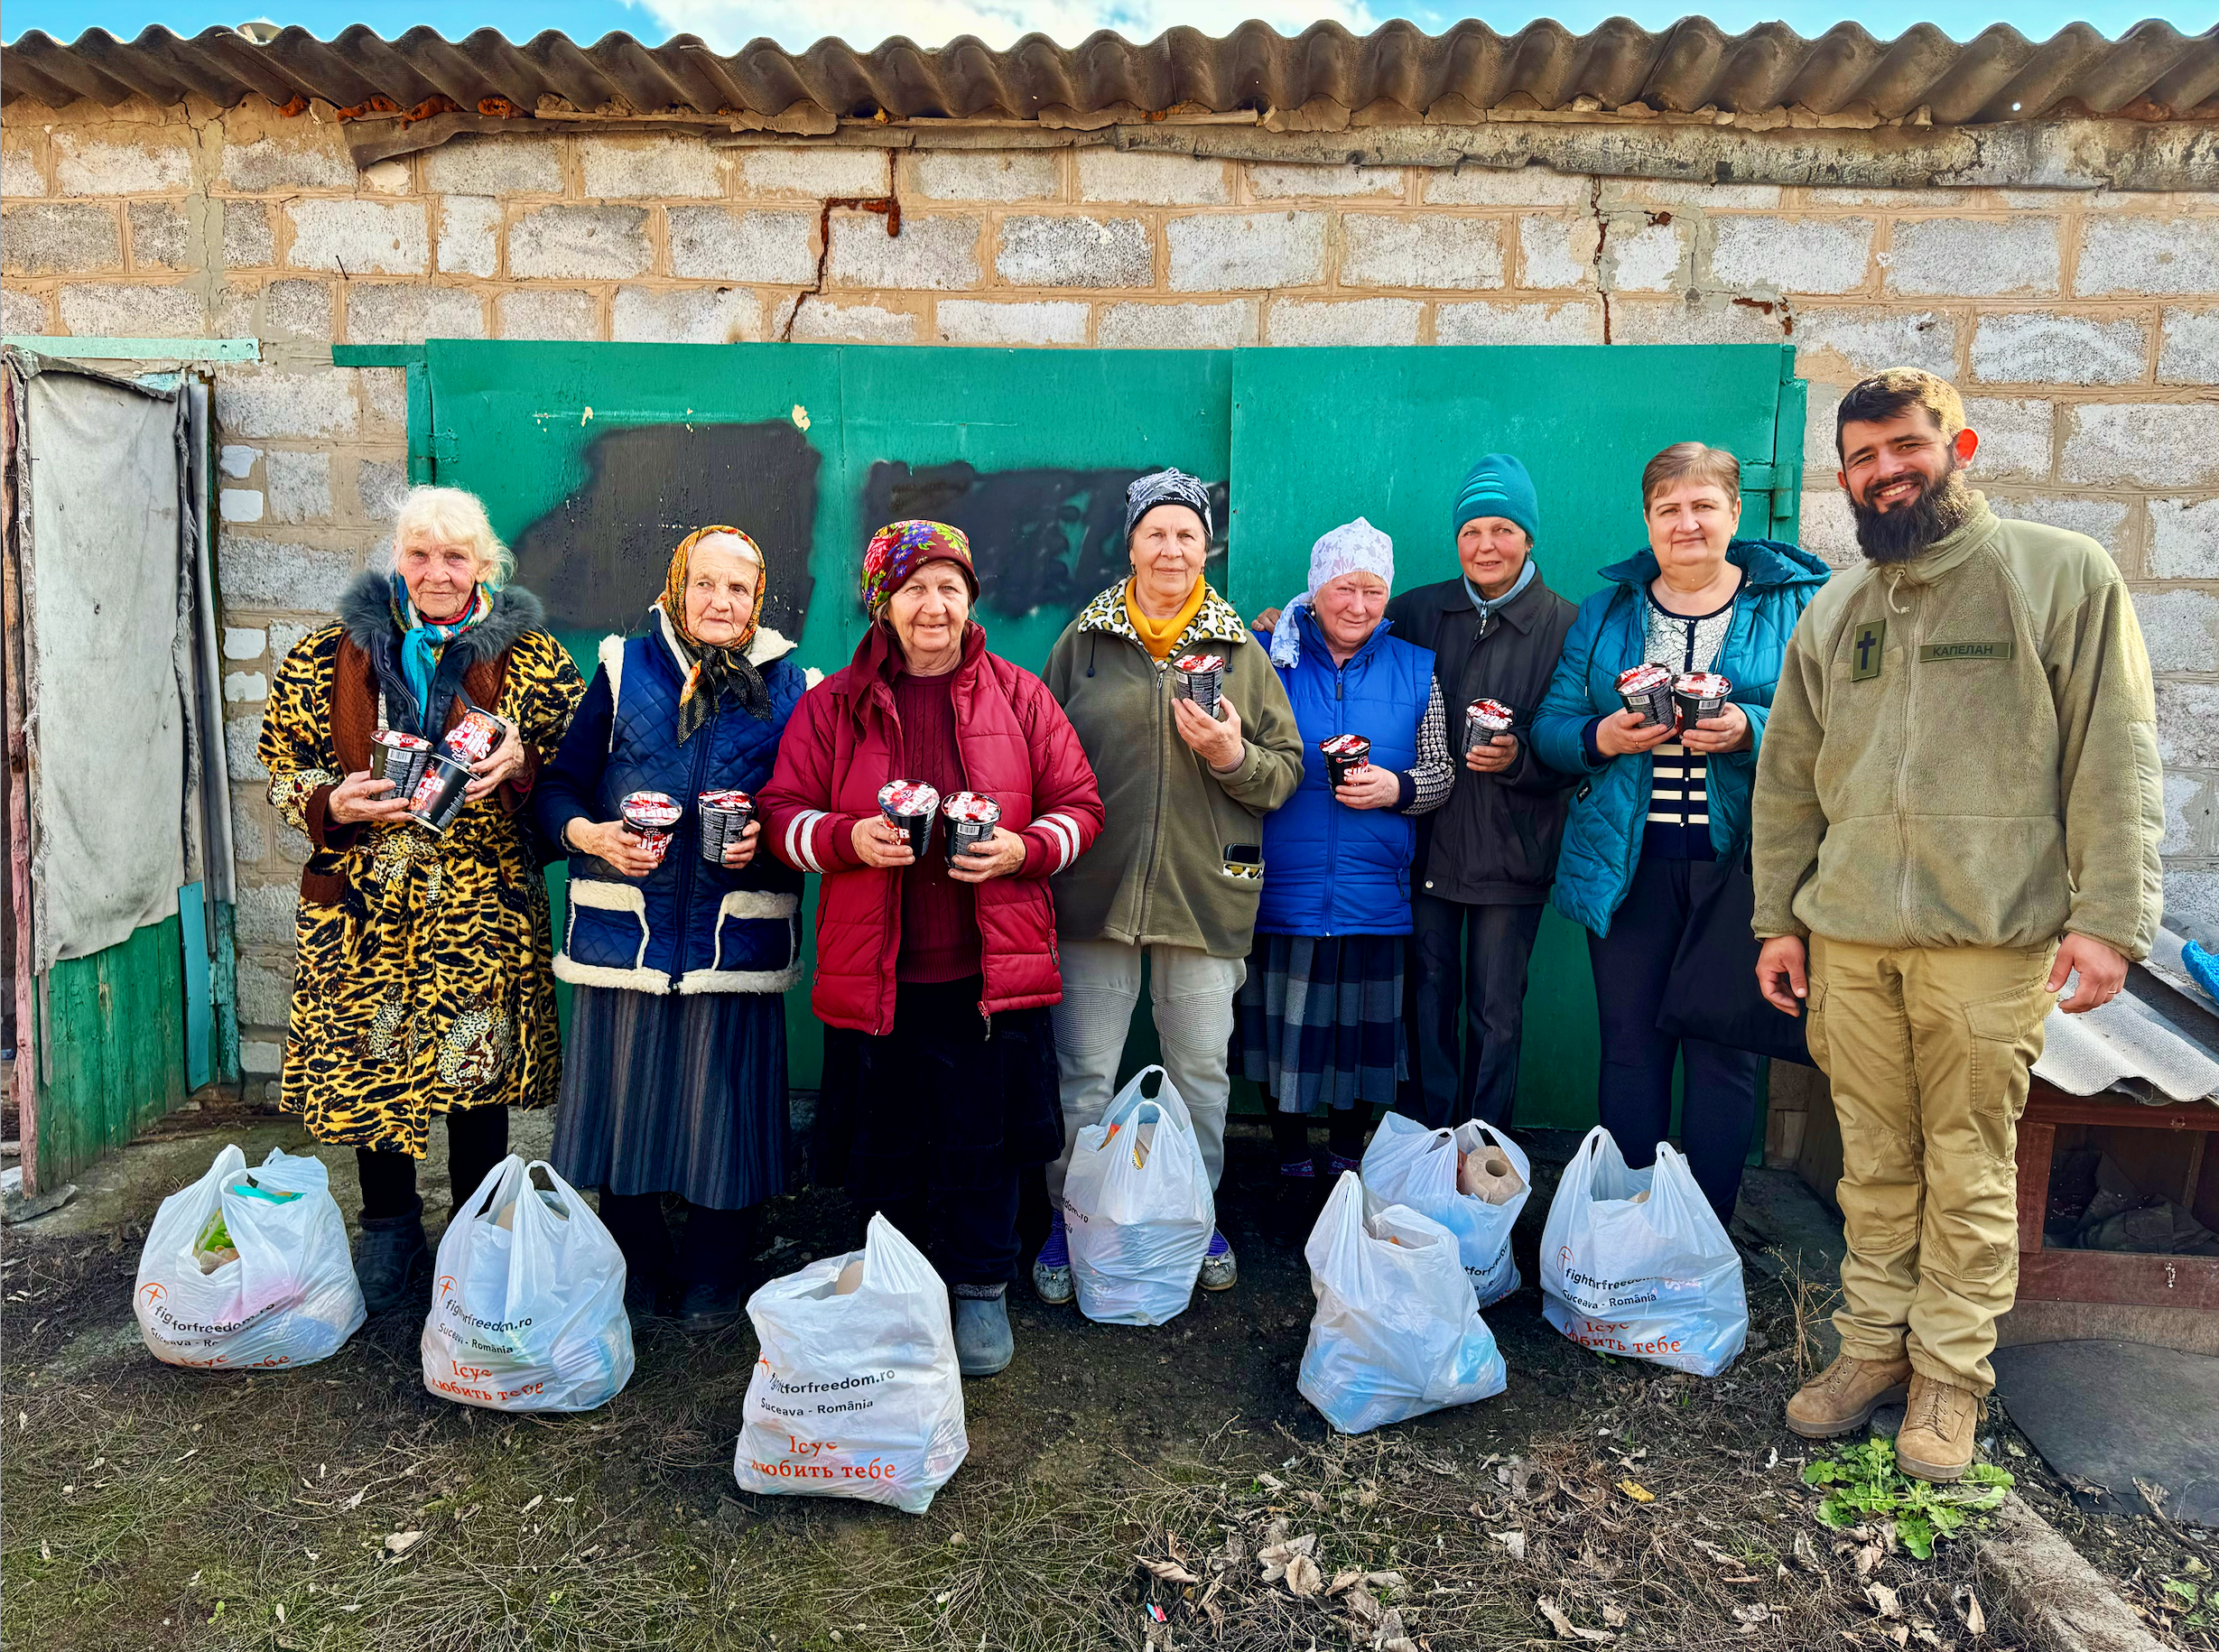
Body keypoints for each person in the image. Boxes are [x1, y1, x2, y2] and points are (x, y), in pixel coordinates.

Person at [1754, 368, 2163, 1481]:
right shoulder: (1838, 608)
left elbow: (2112, 751)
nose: (1884, 472)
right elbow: (1789, 778)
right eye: (1862, 459)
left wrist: (2110, 919)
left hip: (1989, 939)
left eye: (1903, 447)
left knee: (1969, 1165)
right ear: (1841, 478)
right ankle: (1870, 1352)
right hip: (1848, 939)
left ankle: (1949, 1381)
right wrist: (1777, 920)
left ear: (1958, 445)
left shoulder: (2056, 575)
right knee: (1876, 1167)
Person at [758, 520, 1103, 1377]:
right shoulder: (832, 703)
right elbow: (779, 812)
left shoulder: (1020, 696)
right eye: (915, 588)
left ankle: (981, 1288)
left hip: (985, 968)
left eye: (951, 587)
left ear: (970, 601)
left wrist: (1024, 849)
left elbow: (1082, 804)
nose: (934, 605)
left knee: (980, 1137)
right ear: (884, 603)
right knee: (887, 1140)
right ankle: (896, 1289)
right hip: (876, 969)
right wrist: (846, 840)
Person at [257, 485, 584, 1311]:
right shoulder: (331, 654)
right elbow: (281, 765)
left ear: (485, 564)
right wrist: (328, 802)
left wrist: (520, 765)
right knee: (376, 1062)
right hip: (367, 904)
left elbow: (577, 764)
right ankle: (392, 1231)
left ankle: (479, 1234)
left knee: (478, 1068)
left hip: (482, 903)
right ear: (396, 559)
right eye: (420, 554)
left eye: (456, 555)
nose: (437, 572)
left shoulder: (535, 659)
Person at [1533, 441, 1828, 1225]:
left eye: (1704, 506)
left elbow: (1835, 728)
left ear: (1736, 513)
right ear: (1648, 520)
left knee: (1723, 1058)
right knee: (1630, 1051)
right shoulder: (1608, 613)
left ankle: (1703, 1234)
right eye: (1669, 509)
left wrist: (1750, 729)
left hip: (1740, 871)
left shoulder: (1790, 606)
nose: (1686, 523)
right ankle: (1627, 1229)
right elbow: (1552, 731)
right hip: (1629, 866)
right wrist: (1603, 737)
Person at [1034, 469, 1304, 1302]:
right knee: (1082, 1070)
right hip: (1094, 888)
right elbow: (1040, 755)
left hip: (1203, 890)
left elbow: (1285, 771)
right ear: (1132, 544)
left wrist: (1231, 757)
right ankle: (1072, 1215)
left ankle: (1194, 1212)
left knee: (1199, 1073)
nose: (1172, 548)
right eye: (1157, 532)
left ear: (1206, 546)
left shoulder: (1238, 651)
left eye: (1187, 533)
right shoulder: (1083, 643)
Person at [534, 527, 806, 1332]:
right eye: (705, 585)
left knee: (726, 1109)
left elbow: (810, 805)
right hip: (632, 938)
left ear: (760, 601)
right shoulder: (624, 670)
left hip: (734, 937)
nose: (721, 602)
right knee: (629, 1105)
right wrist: (591, 837)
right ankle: (635, 1260)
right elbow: (558, 788)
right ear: (674, 589)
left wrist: (772, 840)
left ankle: (715, 1271)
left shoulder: (795, 685)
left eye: (739, 589)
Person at [1239, 519, 1453, 1239]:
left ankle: (1348, 1155)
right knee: (1286, 1030)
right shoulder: (1266, 656)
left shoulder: (1416, 667)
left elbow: (1443, 774)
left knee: (1362, 1037)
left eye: (1372, 590)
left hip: (1373, 887)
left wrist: (1397, 788)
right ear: (1316, 587)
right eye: (1343, 587)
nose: (1358, 604)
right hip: (1284, 881)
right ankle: (1292, 1156)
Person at [1386, 454, 1579, 1130]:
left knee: (1497, 1014)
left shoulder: (1566, 626)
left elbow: (1582, 744)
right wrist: (1284, 619)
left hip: (1513, 854)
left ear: (1529, 537)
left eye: (1502, 528)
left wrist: (1519, 758)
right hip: (1428, 848)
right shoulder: (1415, 612)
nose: (1486, 545)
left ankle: (1484, 1147)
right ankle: (1427, 1148)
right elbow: (1341, 623)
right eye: (1472, 530)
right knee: (1426, 1002)